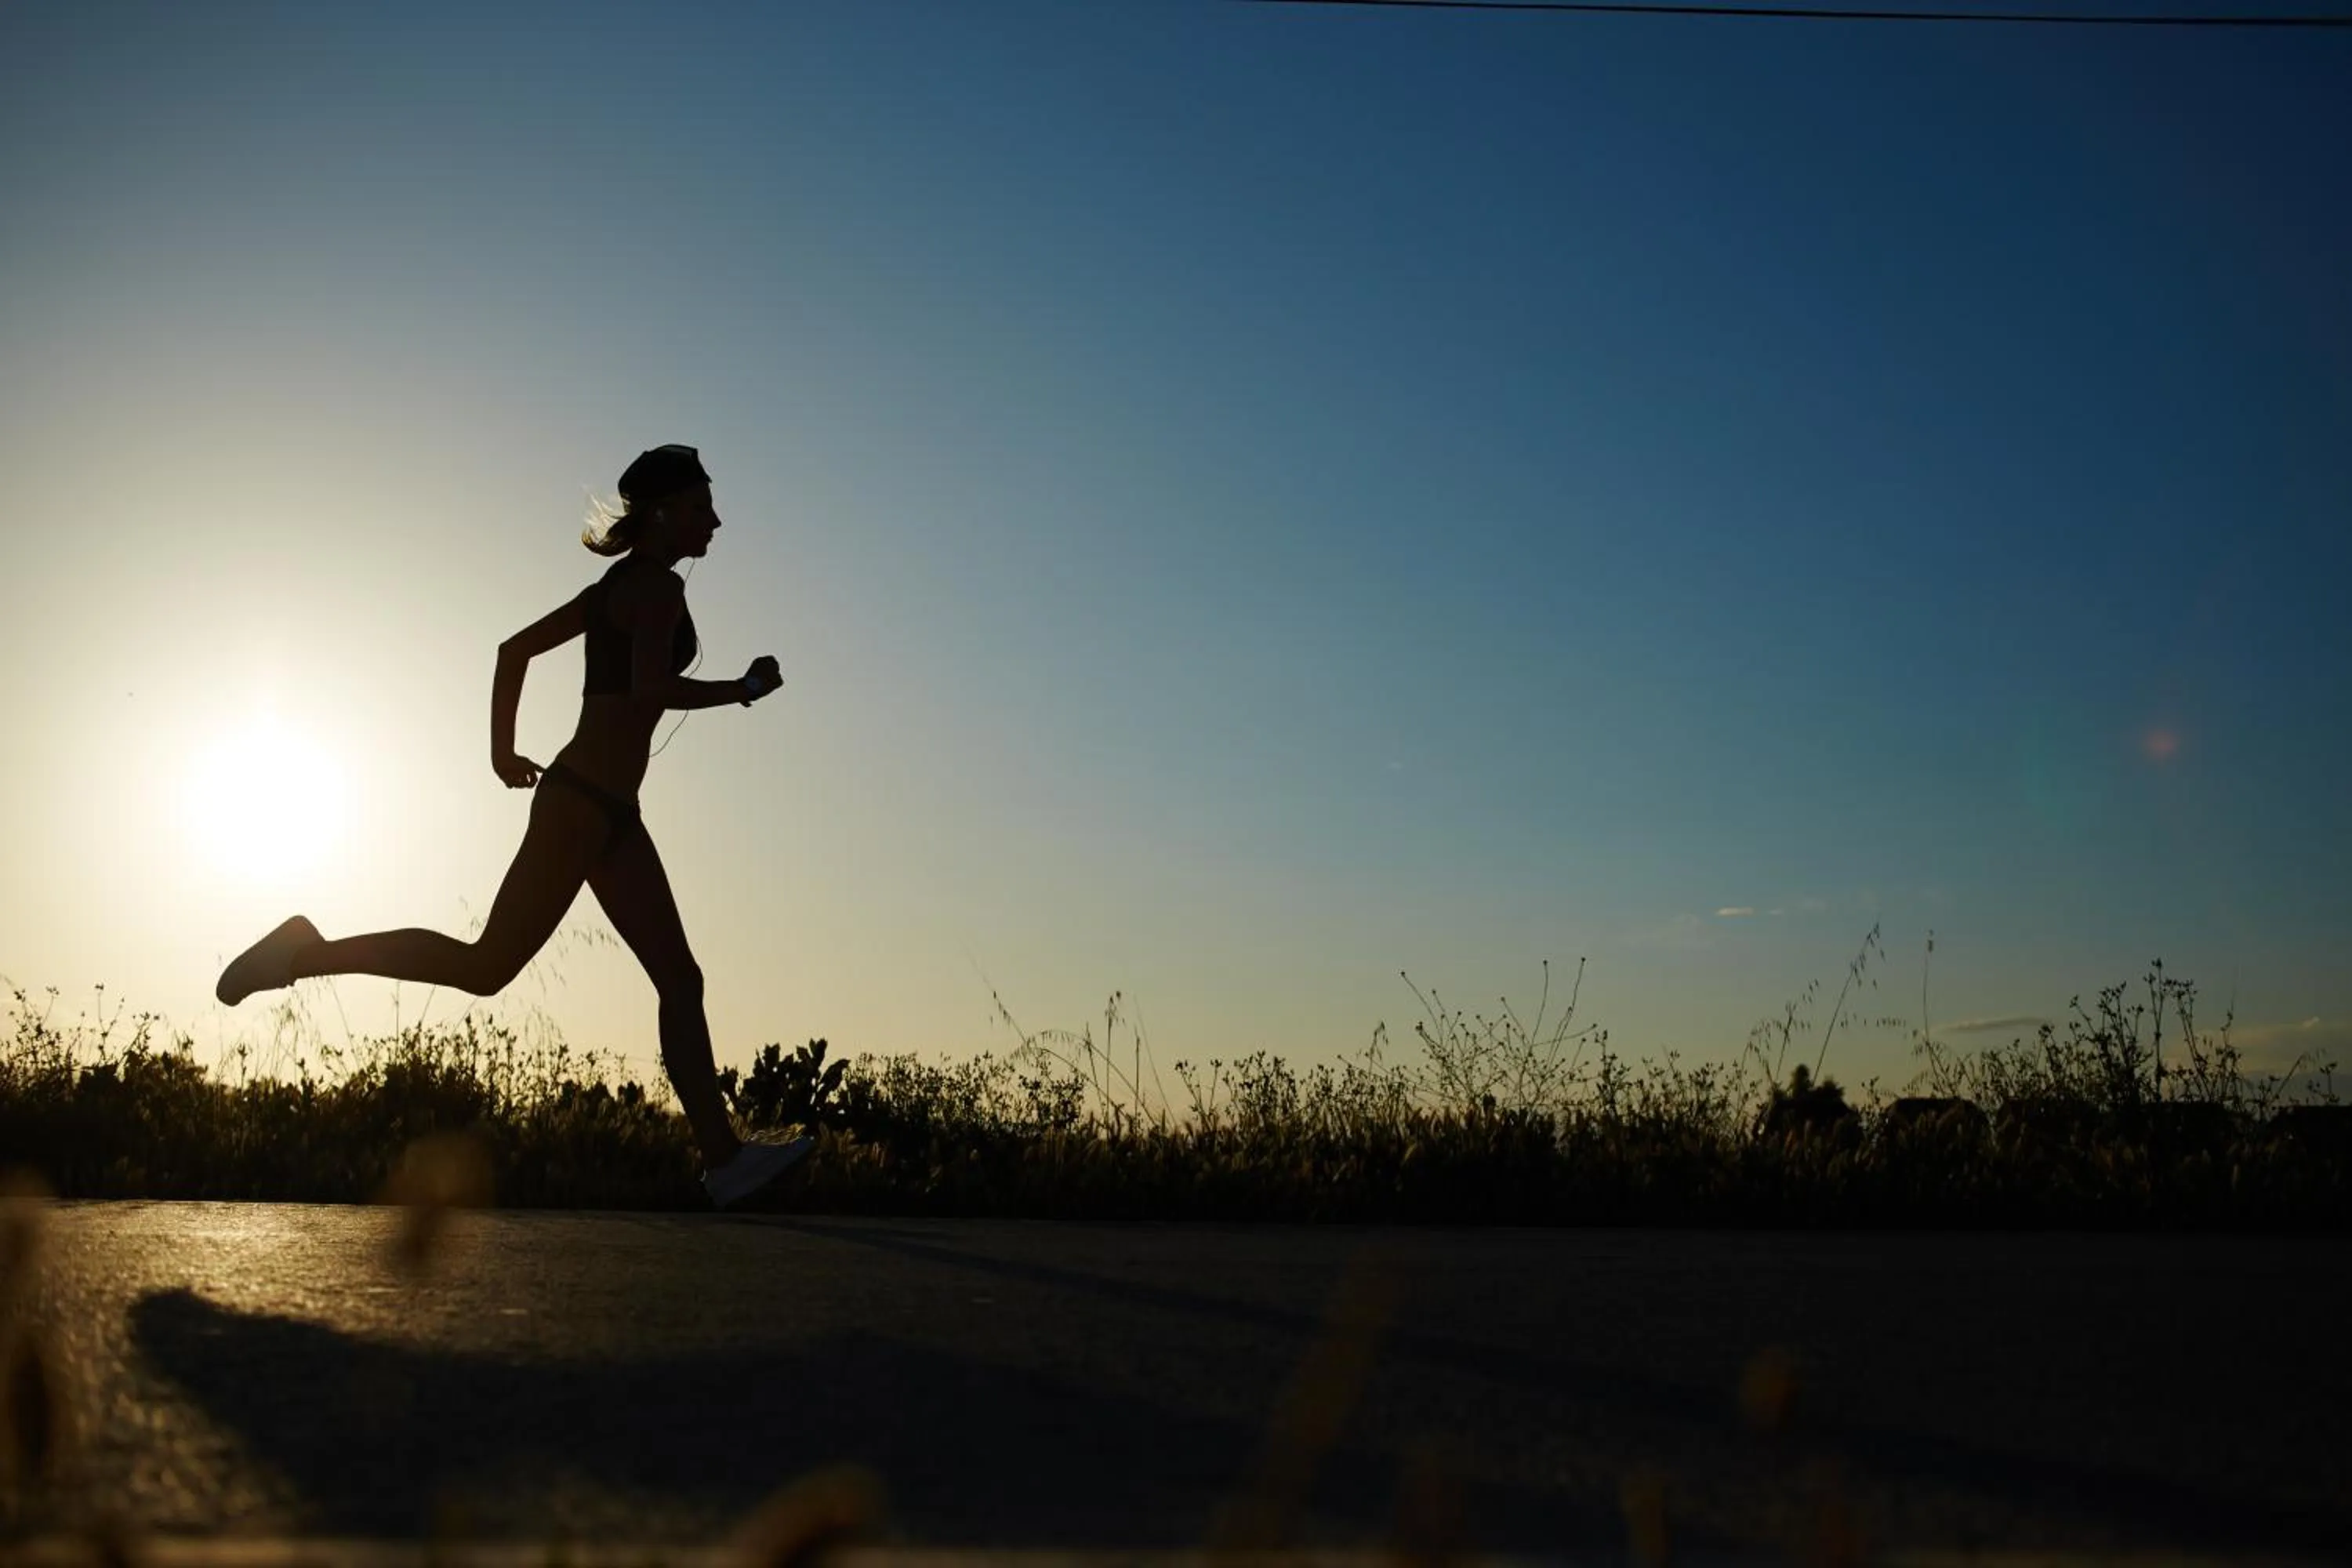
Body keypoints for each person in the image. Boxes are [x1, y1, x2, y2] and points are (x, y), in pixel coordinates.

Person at [214, 444, 811, 1210]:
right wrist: (744, 687)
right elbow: (649, 687)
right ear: (663, 513)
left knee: (677, 977)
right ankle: (303, 951)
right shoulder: (652, 589)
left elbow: (513, 651)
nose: (716, 519)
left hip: (607, 812)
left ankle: (724, 1158)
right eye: (701, 505)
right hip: (581, 806)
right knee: (485, 966)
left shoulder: (616, 588)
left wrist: (503, 753)